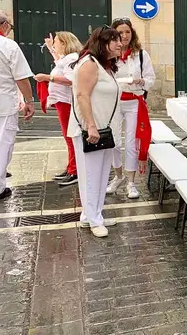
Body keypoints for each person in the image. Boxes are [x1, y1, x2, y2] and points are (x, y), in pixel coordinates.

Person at [68, 27, 122, 237]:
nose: (120, 44)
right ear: (102, 43)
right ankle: (93, 220)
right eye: (115, 40)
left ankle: (91, 215)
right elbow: (82, 95)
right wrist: (90, 125)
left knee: (100, 175)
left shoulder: (104, 65)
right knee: (91, 176)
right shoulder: (89, 64)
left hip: (104, 130)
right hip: (91, 129)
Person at [106, 18, 154, 199]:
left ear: (132, 33)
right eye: (120, 32)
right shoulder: (109, 55)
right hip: (114, 102)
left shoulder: (141, 55)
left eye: (127, 32)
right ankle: (118, 176)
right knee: (114, 142)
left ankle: (131, 182)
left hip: (135, 101)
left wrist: (140, 81)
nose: (124, 36)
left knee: (132, 143)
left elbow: (150, 78)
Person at [33, 31, 82, 186]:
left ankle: (75, 170)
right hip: (62, 101)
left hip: (66, 101)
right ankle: (71, 167)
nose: (54, 44)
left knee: (70, 136)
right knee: (68, 136)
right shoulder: (67, 58)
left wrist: (48, 78)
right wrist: (50, 49)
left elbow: (70, 79)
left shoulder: (72, 58)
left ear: (64, 43)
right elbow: (60, 62)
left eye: (56, 42)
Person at [0, 11, 34, 200]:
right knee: (3, 144)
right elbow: (21, 78)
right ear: (4, 25)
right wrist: (29, 101)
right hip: (4, 102)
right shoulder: (8, 46)